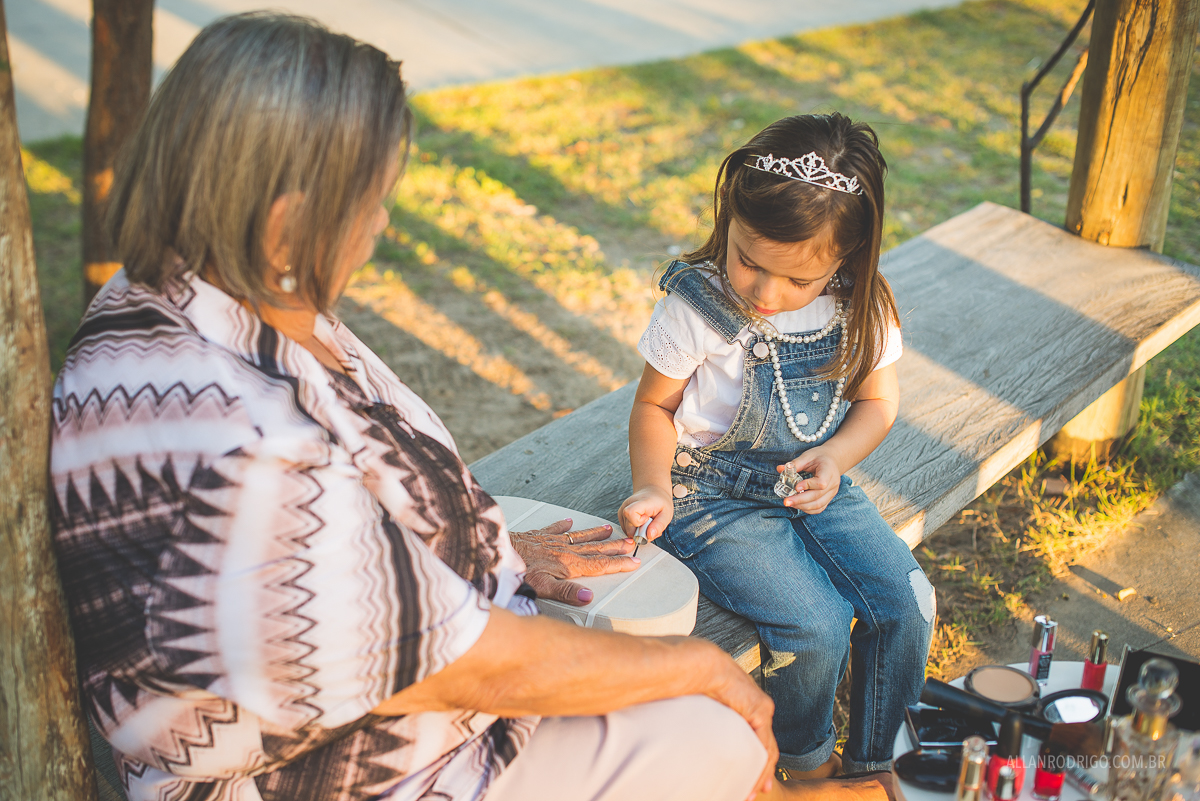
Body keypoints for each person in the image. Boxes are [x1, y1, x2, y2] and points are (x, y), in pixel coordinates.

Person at [47, 14, 893, 801]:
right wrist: (696, 665)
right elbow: (455, 662)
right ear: (286, 219)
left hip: (398, 697)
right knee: (718, 728)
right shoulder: (235, 445)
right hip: (352, 771)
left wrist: (492, 549)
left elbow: (316, 557)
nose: (381, 222)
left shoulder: (192, 301)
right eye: (372, 198)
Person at [619, 114, 936, 782]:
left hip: (811, 482)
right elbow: (653, 407)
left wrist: (837, 457)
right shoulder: (700, 306)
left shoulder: (860, 304)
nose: (765, 292)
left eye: (797, 281)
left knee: (908, 601)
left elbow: (878, 403)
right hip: (709, 493)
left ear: (845, 258)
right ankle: (804, 766)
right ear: (730, 219)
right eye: (748, 261)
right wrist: (651, 484)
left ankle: (879, 765)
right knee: (815, 623)